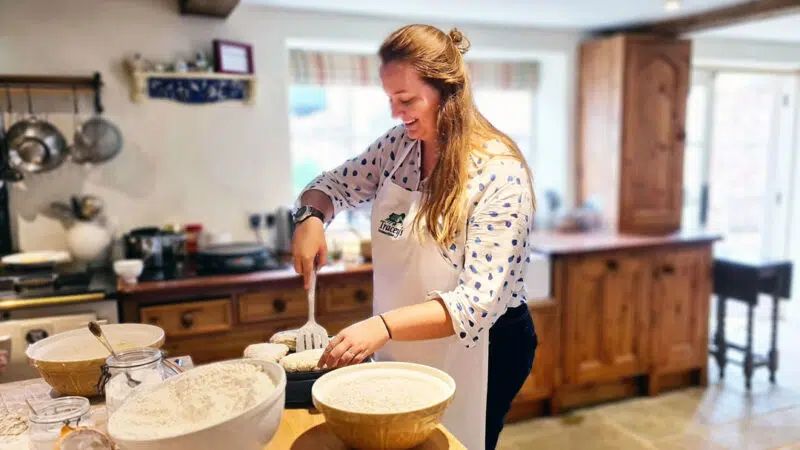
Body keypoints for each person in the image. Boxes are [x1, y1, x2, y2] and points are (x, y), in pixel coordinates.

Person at [291, 24, 537, 450]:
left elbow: (475, 304)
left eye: (406, 100)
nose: (396, 112)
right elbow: (334, 184)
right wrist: (311, 216)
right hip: (405, 339)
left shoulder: (500, 173)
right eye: (390, 99)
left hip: (487, 345)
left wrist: (382, 326)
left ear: (448, 92)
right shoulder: (399, 147)